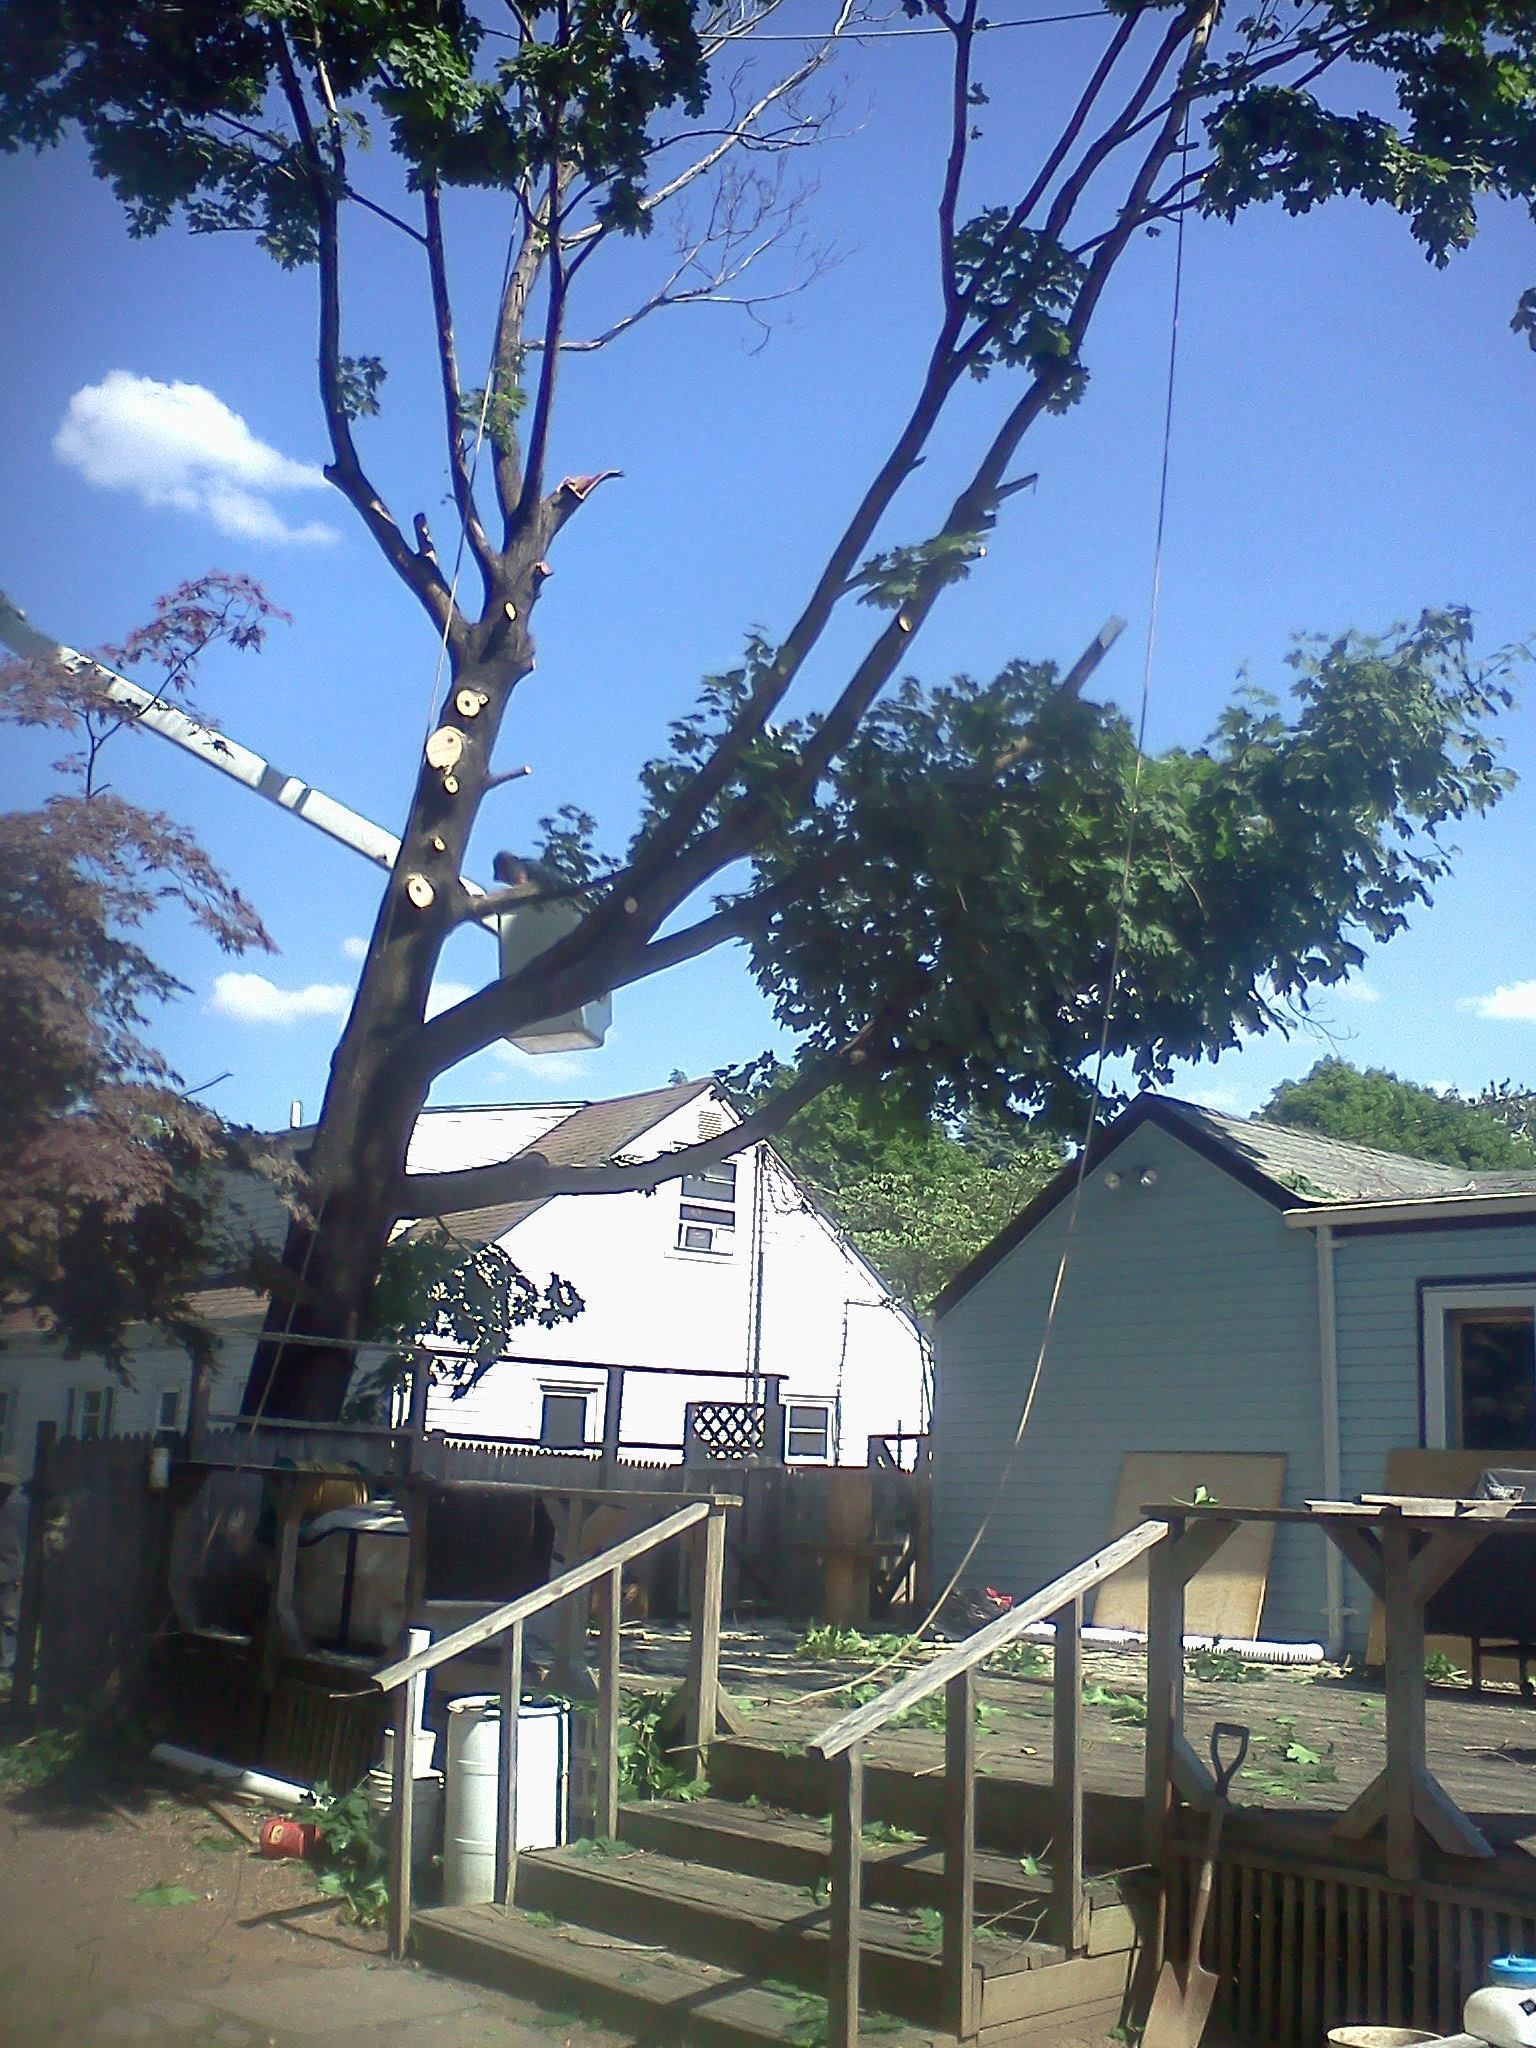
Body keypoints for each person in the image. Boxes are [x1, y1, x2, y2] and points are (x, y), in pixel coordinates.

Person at [0, 1458, 27, 1675]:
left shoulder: (19, 1509)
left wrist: (21, 1574)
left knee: (10, 1619)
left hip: (11, 1574)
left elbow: (27, 1543)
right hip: (8, 1571)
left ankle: (14, 1664)